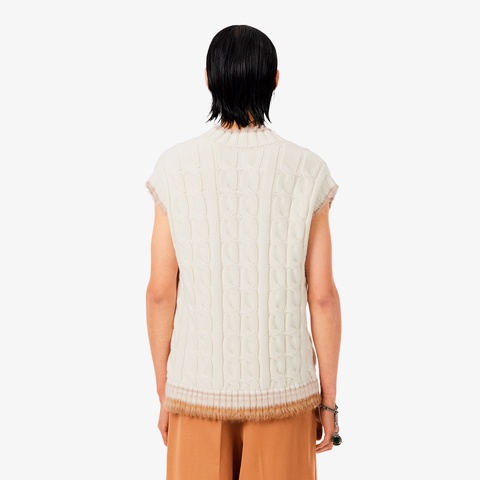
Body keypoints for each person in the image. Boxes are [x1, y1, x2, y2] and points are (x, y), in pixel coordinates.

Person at [145, 24, 342, 480]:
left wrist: (165, 392)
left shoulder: (174, 168)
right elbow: (322, 296)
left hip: (195, 391)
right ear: (275, 80)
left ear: (208, 80)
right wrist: (329, 402)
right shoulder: (308, 170)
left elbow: (160, 292)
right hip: (284, 393)